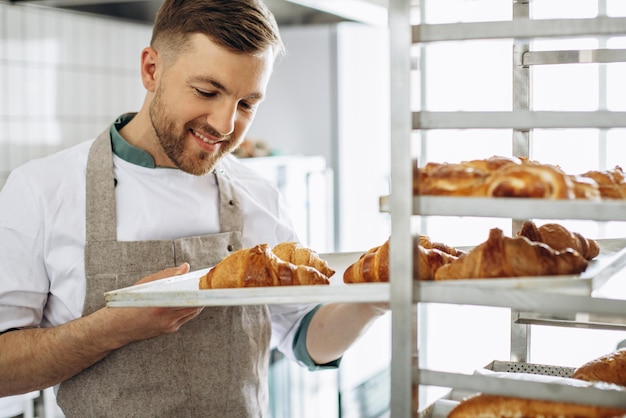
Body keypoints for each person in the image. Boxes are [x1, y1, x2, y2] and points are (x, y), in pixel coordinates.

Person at [0, 0, 388, 416]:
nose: (224, 125)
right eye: (207, 91)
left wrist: (378, 296)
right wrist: (112, 328)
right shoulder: (40, 189)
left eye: (247, 104)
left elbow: (303, 338)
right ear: (152, 70)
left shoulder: (258, 194)